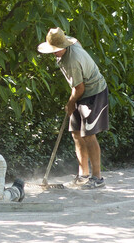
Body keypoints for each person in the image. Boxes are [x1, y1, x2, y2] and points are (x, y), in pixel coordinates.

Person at [38, 27, 109, 189]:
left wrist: (70, 104)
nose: (54, 53)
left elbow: (80, 89)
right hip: (81, 91)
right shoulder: (70, 41)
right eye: (52, 50)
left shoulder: (72, 62)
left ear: (64, 46)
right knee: (76, 133)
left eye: (56, 50)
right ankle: (83, 175)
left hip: (94, 92)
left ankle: (97, 178)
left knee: (89, 135)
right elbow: (77, 40)